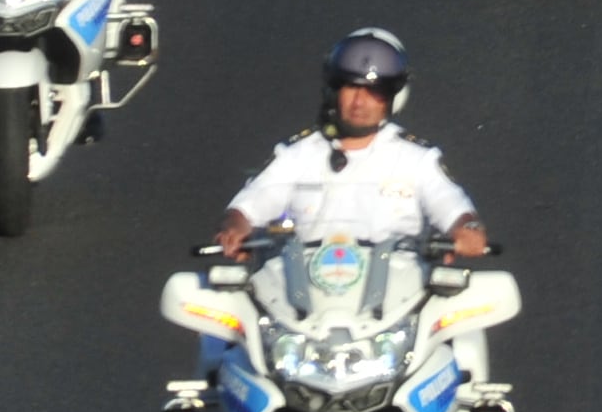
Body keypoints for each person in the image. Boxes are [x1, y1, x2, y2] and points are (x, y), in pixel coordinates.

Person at [202, 31, 494, 385]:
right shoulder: (297, 155)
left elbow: (452, 207)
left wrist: (466, 230)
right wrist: (235, 227)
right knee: (222, 346)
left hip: (395, 307)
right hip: (301, 309)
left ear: (392, 98)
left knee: (460, 350)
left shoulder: (416, 159)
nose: (360, 101)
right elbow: (249, 206)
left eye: (375, 92)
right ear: (332, 89)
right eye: (350, 87)